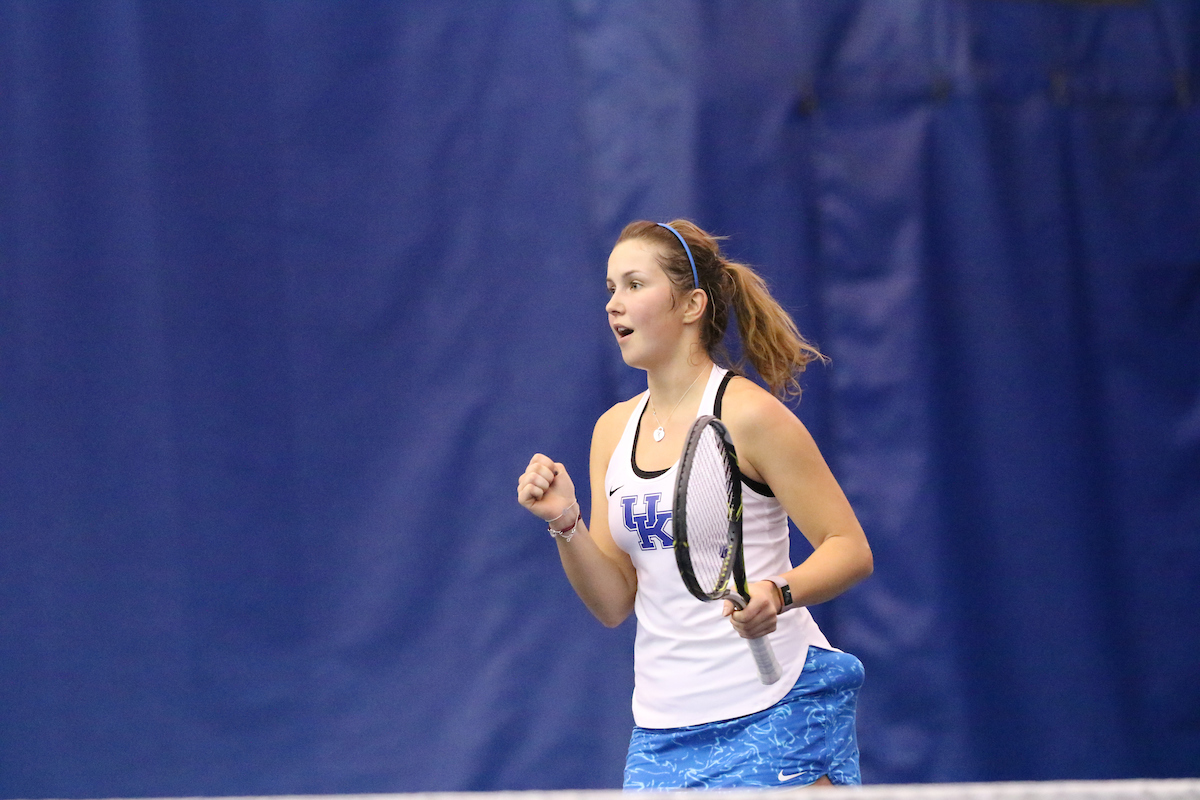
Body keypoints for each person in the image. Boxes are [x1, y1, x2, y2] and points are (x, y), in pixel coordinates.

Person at [516, 219, 873, 789]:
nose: (614, 305)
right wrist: (566, 522)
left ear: (691, 305)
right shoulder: (611, 431)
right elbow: (613, 603)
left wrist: (776, 592)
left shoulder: (749, 415)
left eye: (634, 284)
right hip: (663, 728)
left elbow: (849, 548)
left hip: (775, 705)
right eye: (610, 288)